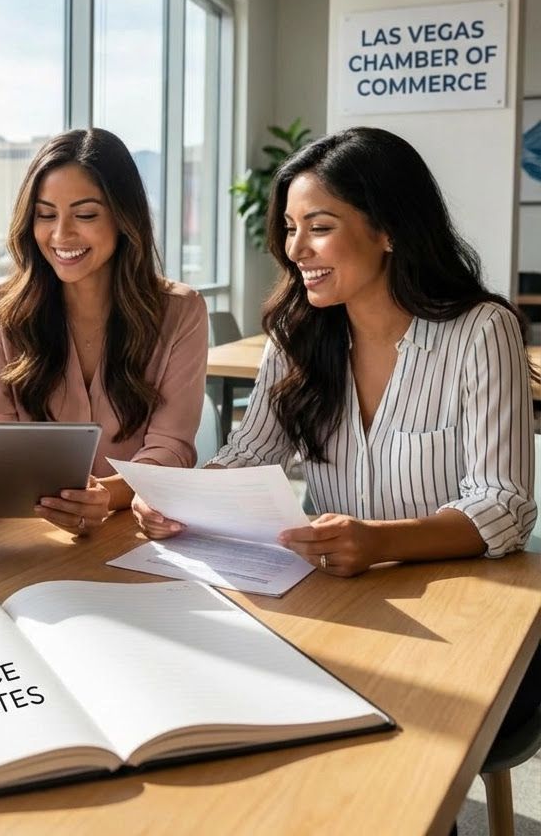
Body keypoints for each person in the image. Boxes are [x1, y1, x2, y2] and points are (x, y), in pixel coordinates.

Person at [132, 125, 539, 736]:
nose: (296, 250)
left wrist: (379, 541)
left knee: (399, 741)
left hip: (463, 612)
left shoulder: (482, 330)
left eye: (319, 227)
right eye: (291, 229)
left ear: (388, 229)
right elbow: (249, 455)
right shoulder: (298, 333)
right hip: (332, 600)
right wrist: (179, 501)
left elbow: (503, 505)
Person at [0, 127, 208, 536]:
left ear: (123, 217)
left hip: (133, 536)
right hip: (25, 535)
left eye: (85, 215)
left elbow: (171, 447)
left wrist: (107, 496)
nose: (61, 235)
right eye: (45, 215)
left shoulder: (180, 311)